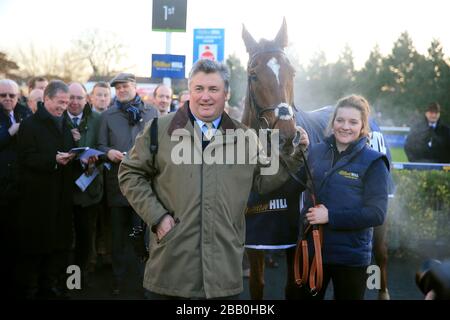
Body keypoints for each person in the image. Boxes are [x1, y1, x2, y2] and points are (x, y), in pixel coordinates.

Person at [118, 59, 309, 299]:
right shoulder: (159, 129)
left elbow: (263, 181)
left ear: (226, 94)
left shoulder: (246, 138)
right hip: (169, 272)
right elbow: (129, 173)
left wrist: (295, 157)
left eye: (213, 89)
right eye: (199, 89)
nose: (205, 97)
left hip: (223, 276)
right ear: (189, 91)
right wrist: (157, 217)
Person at [297, 95, 389, 300]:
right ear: (332, 122)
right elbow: (299, 186)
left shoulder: (374, 162)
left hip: (351, 259)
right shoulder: (315, 151)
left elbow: (376, 214)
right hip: (313, 253)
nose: (345, 126)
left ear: (363, 126)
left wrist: (330, 216)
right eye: (340, 120)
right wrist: (297, 153)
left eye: (353, 122)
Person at [97, 72, 158, 295]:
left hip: (144, 186)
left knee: (142, 235)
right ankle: (118, 279)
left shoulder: (151, 112)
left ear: (135, 87)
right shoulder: (108, 116)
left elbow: (158, 144)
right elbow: (100, 145)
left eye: (125, 86)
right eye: (118, 87)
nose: (121, 90)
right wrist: (108, 152)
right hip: (117, 185)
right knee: (118, 237)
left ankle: (146, 280)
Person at [15, 80, 76, 299]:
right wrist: (53, 160)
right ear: (47, 99)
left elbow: (68, 153)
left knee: (56, 247)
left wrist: (79, 157)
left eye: (67, 103)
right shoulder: (30, 125)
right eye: (60, 102)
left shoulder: (65, 124)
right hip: (37, 199)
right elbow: (25, 157)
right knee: (35, 248)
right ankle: (31, 288)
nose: (64, 106)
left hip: (60, 197)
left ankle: (50, 287)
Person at [65, 82, 103, 288]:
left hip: (88, 189)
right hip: (62, 190)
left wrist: (93, 159)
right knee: (63, 237)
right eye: (71, 97)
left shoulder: (97, 120)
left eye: (79, 98)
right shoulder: (58, 118)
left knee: (84, 237)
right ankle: (61, 278)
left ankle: (76, 281)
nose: (75, 102)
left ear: (86, 99)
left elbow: (103, 147)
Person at [0, 79, 32, 298]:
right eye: (3, 96)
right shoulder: (10, 120)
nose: (8, 99)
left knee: (21, 241)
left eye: (12, 95)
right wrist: (10, 131)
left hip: (22, 187)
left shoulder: (26, 114)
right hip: (2, 188)